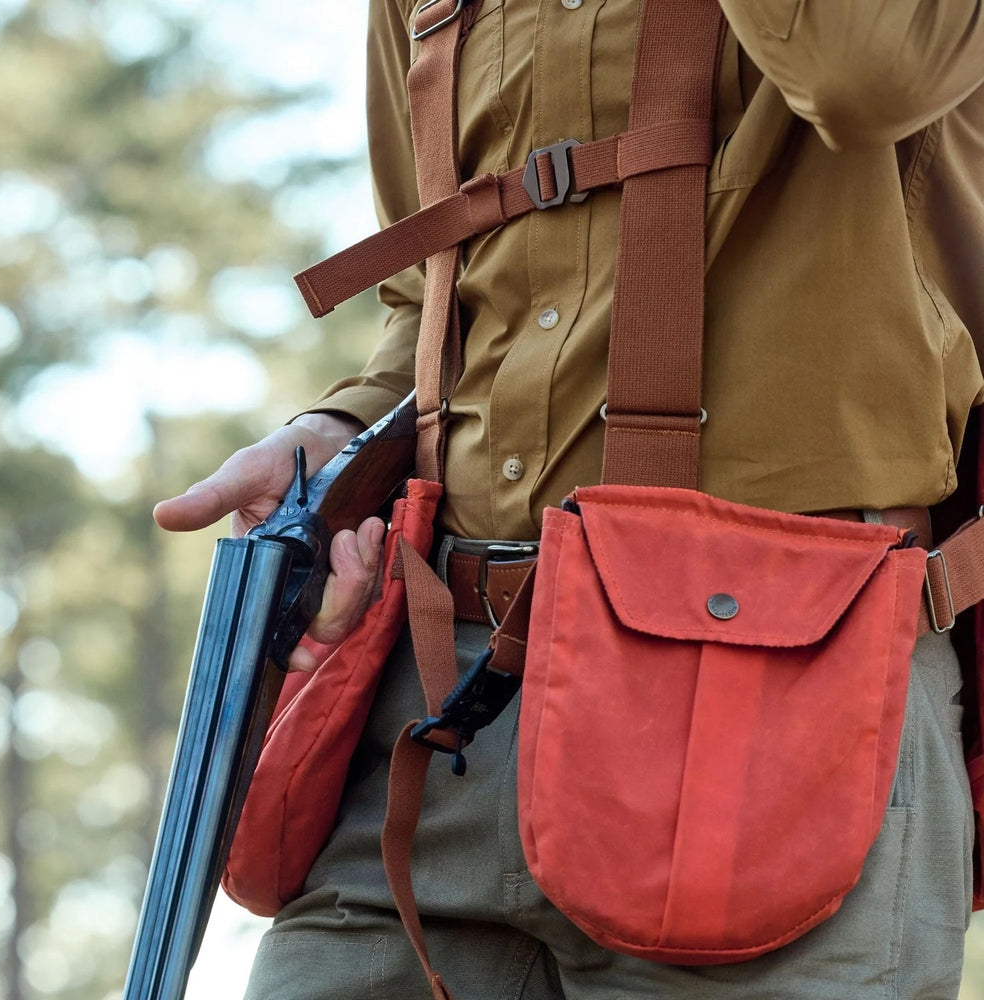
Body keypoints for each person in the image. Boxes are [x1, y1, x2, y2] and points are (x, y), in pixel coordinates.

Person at [153, 2, 984, 997]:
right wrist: (339, 430)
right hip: (435, 706)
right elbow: (434, 283)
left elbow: (866, 71)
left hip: (775, 706)